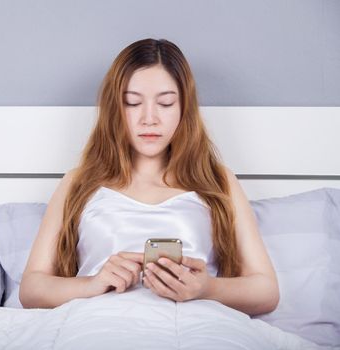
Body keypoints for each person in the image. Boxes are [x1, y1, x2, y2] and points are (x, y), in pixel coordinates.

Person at [19, 38, 279, 316]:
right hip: (96, 324)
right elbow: (31, 288)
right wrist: (92, 284)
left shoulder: (218, 181)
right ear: (114, 109)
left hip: (197, 325)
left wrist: (206, 289)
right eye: (132, 103)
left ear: (184, 108)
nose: (149, 118)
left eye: (165, 103)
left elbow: (266, 291)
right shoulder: (78, 183)